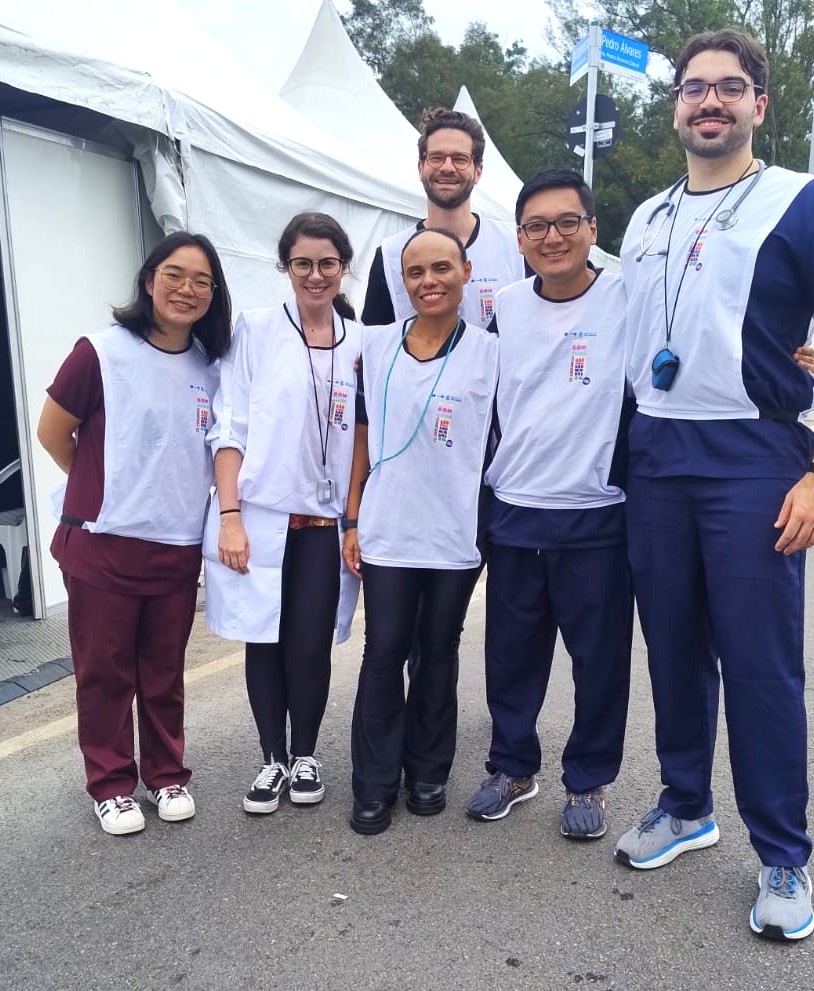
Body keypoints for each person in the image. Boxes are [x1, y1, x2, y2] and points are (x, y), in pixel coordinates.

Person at [615, 29, 814, 942]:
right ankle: (687, 805)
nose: (710, 103)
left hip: (754, 455)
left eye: (730, 89)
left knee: (761, 665)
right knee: (675, 648)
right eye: (695, 89)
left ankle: (784, 853)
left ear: (758, 106)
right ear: (676, 107)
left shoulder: (798, 201)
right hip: (657, 452)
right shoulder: (647, 216)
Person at [37, 231, 232, 835]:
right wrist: (100, 485)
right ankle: (112, 783)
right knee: (105, 671)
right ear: (149, 281)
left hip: (174, 547)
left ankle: (167, 773)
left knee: (163, 669)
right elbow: (53, 432)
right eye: (174, 274)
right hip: (103, 544)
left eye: (202, 280)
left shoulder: (210, 365)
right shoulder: (100, 352)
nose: (187, 289)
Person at [464, 169, 632, 839]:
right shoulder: (502, 305)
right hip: (515, 509)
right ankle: (512, 765)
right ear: (520, 237)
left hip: (597, 511)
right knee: (510, 652)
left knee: (599, 660)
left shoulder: (627, 298)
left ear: (593, 229)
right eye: (536, 226)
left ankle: (588, 777)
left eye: (567, 222)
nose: (552, 236)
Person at [344, 227, 499, 835]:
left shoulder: (491, 350)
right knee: (383, 652)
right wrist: (352, 517)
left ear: (465, 271)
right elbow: (358, 436)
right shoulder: (376, 345)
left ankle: (429, 768)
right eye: (415, 273)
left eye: (441, 268)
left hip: (457, 533)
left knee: (438, 650)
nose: (428, 281)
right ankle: (375, 782)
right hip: (387, 530)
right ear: (401, 282)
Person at [204, 212, 360, 815]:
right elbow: (229, 426)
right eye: (302, 264)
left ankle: (305, 754)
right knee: (263, 638)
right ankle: (271, 757)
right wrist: (230, 514)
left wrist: (354, 519)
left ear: (342, 267)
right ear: (286, 268)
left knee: (309, 641)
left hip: (325, 524)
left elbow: (366, 439)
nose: (315, 275)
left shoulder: (361, 341)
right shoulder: (258, 330)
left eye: (327, 263)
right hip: (263, 517)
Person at [361, 107, 524, 329]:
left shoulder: (516, 246)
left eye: (460, 159)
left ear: (478, 171)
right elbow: (375, 348)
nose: (447, 168)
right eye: (436, 158)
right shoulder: (390, 255)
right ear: (421, 167)